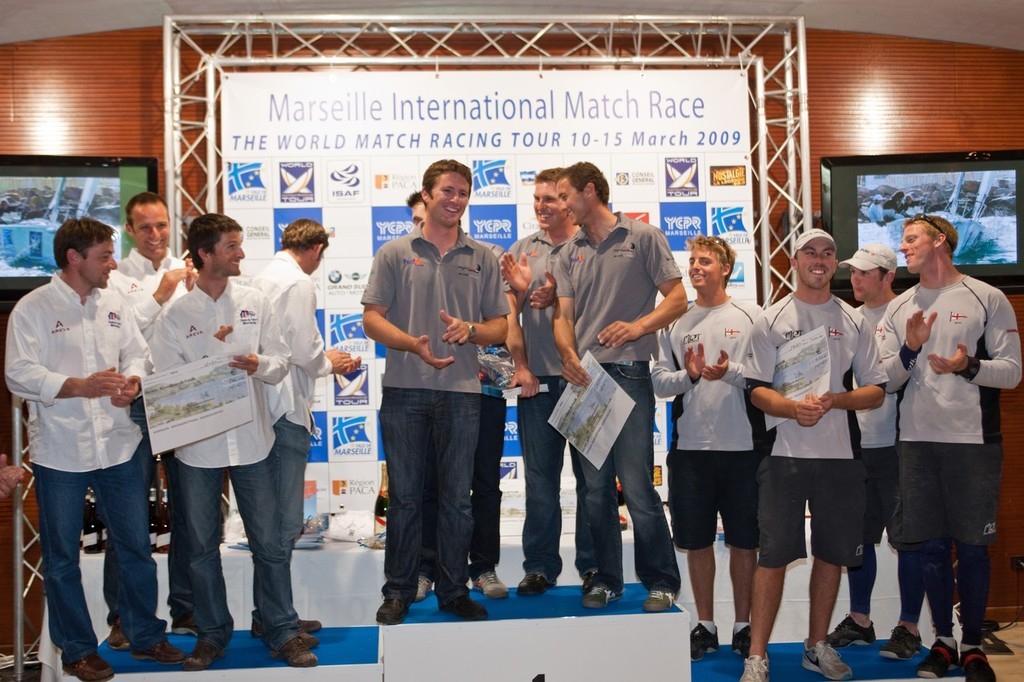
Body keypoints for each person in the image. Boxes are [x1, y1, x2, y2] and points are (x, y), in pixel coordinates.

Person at [6, 217, 184, 682]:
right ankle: (78, 650)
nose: (112, 264)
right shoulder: (34, 308)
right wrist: (76, 386)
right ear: (74, 258)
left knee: (135, 549)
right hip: (59, 452)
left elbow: (138, 353)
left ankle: (146, 636)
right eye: (104, 256)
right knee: (63, 557)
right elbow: (17, 372)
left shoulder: (115, 303)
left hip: (119, 444)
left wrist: (133, 381)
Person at [149, 213, 315, 670]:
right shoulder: (174, 316)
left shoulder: (256, 301)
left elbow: (282, 362)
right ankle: (212, 634)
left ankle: (281, 629)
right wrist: (208, 363)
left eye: (241, 244)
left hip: (254, 440)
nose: (242, 253)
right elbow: (163, 384)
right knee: (200, 547)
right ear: (205, 254)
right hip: (196, 448)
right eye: (232, 246)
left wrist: (255, 362)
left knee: (269, 542)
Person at [362, 159, 509, 625]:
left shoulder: (483, 255)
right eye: (447, 190)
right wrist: (411, 344)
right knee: (405, 497)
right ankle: (399, 590)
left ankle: (452, 589)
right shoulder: (394, 252)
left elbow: (500, 324)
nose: (456, 199)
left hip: (464, 392)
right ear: (426, 195)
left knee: (456, 500)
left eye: (463, 192)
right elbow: (371, 318)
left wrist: (471, 329)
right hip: (405, 390)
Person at [880, 214, 1021, 682]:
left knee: (974, 547)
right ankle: (942, 641)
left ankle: (974, 645)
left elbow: (1012, 371)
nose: (903, 247)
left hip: (973, 443)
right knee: (933, 548)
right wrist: (911, 350)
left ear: (940, 240)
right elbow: (886, 379)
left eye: (910, 238)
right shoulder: (900, 307)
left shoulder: (988, 297)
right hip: (917, 443)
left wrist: (968, 365)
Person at [741, 228, 886, 682]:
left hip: (842, 459)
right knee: (774, 556)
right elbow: (756, 390)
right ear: (794, 260)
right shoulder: (770, 318)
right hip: (783, 456)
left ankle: (815, 644)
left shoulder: (854, 319)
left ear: (834, 262)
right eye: (810, 252)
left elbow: (876, 391)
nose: (819, 260)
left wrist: (836, 401)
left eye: (828, 252)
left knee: (830, 554)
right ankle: (758, 655)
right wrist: (792, 410)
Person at [550, 161, 685, 612]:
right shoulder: (569, 251)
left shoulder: (642, 237)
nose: (563, 205)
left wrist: (636, 328)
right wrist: (567, 354)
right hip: (586, 378)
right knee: (594, 489)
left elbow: (677, 298)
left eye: (567, 196)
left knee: (638, 487)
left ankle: (662, 582)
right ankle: (607, 580)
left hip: (629, 372)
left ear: (590, 192)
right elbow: (563, 316)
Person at [651, 235, 764, 660]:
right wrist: (692, 376)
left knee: (744, 542)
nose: (696, 267)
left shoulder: (752, 316)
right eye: (692, 261)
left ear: (726, 268)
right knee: (696, 542)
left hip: (744, 448)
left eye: (705, 261)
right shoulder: (674, 320)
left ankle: (742, 625)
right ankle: (705, 624)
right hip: (691, 450)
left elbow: (766, 375)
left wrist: (729, 371)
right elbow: (660, 382)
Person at [252, 218, 360, 638]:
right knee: (282, 526)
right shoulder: (297, 283)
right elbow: (303, 350)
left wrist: (320, 358)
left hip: (267, 410)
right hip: (284, 412)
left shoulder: (264, 278)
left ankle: (270, 614)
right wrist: (332, 362)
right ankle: (277, 621)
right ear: (316, 249)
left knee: (273, 525)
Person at [105, 191, 198, 647]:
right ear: (129, 230)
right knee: (128, 515)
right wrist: (162, 293)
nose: (156, 235)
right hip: (137, 402)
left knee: (190, 513)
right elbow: (120, 336)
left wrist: (195, 294)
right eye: (145, 227)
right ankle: (122, 618)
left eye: (162, 225)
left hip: (181, 398)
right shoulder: (115, 276)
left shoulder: (186, 270)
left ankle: (186, 609)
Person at [500, 167, 597, 596]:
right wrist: (520, 366)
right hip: (538, 381)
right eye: (536, 199)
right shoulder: (523, 250)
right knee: (540, 482)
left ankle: (594, 566)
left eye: (550, 199)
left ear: (568, 201)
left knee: (593, 482)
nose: (541, 206)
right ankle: (540, 566)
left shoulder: (591, 244)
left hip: (586, 380)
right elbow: (508, 317)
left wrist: (555, 295)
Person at [826, 243, 925, 660]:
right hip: (855, 447)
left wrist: (910, 351)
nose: (856, 279)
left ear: (888, 276)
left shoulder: (907, 314)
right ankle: (860, 619)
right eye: (854, 272)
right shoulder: (848, 317)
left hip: (898, 446)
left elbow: (893, 381)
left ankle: (908, 628)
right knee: (858, 539)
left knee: (908, 539)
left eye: (866, 273)